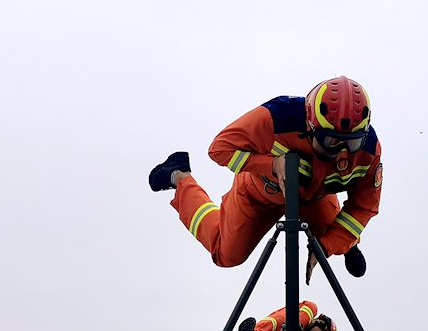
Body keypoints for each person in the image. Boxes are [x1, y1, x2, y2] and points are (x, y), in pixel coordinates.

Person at [148, 76, 383, 284]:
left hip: (314, 198)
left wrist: (327, 245)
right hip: (257, 196)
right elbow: (219, 149)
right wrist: (272, 164)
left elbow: (364, 206)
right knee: (226, 255)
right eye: (331, 141)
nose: (341, 149)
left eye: (352, 142)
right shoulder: (277, 117)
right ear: (311, 124)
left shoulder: (369, 150)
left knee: (337, 234)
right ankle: (180, 176)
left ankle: (349, 245)